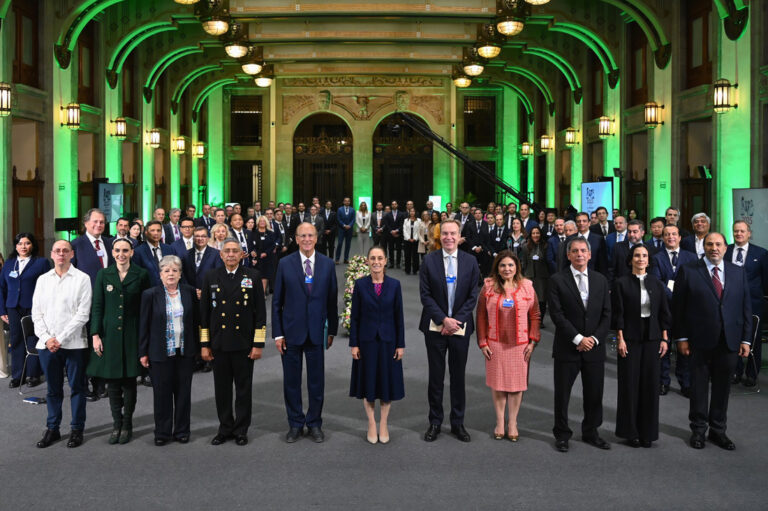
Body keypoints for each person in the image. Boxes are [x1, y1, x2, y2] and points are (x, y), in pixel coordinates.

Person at [672, 232, 752, 450]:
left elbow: (746, 309)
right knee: (698, 387)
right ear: (703, 247)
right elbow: (678, 309)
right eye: (709, 244)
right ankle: (698, 430)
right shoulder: (688, 271)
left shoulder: (738, 272)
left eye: (718, 244)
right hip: (698, 341)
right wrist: (681, 338)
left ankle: (718, 431)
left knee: (722, 388)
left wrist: (746, 340)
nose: (714, 248)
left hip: (729, 340)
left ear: (726, 248)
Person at [273, 222, 338, 443]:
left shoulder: (328, 264)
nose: (307, 239)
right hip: (291, 333)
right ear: (296, 239)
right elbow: (276, 303)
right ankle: (295, 423)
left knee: (316, 382)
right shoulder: (285, 264)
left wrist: (332, 331)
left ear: (317, 238)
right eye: (303, 236)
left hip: (316, 333)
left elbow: (331, 300)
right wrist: (278, 334)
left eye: (311, 235)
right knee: (291, 382)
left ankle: (314, 423)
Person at [200, 239, 267, 446]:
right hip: (219, 343)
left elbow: (261, 314)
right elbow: (204, 314)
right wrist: (204, 344)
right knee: (222, 389)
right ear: (221, 255)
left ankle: (241, 429)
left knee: (243, 389)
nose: (230, 254)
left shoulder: (252, 276)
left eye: (234, 251)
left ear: (241, 254)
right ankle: (225, 427)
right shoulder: (211, 276)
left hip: (244, 344)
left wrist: (258, 344)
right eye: (227, 251)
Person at [548, 237, 612, 452]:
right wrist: (577, 339)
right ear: (568, 255)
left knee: (594, 393)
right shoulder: (557, 280)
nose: (579, 254)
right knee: (562, 394)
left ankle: (591, 432)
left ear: (590, 254)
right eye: (574, 251)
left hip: (594, 347)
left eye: (583, 250)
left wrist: (593, 339)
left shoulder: (601, 280)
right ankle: (562, 434)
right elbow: (557, 314)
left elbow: (607, 314)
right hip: (568, 346)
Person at [419, 219, 480, 442]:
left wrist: (455, 321)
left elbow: (473, 295)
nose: (449, 237)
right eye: (444, 233)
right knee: (436, 377)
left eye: (453, 233)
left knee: (458, 377)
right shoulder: (429, 261)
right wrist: (444, 319)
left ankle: (457, 423)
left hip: (460, 328)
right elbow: (425, 295)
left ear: (459, 235)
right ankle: (435, 422)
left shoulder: (470, 261)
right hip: (435, 327)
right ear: (439, 236)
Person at [87, 238, 151, 444]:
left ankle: (128, 424)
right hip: (109, 335)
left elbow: (146, 308)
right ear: (112, 252)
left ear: (132, 252)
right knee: (112, 382)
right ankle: (116, 423)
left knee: (130, 381)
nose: (121, 254)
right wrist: (95, 335)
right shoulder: (103, 275)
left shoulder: (141, 274)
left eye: (125, 250)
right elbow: (97, 306)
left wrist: (145, 338)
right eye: (117, 250)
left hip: (133, 334)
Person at [32, 240, 92, 448]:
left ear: (72, 254)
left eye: (65, 251)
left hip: (74, 344)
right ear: (51, 254)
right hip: (47, 344)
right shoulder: (42, 280)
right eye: (57, 251)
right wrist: (48, 338)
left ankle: (77, 429)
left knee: (77, 388)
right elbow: (36, 313)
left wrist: (61, 338)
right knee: (53, 390)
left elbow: (83, 315)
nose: (61, 254)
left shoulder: (82, 279)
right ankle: (53, 429)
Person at [476, 251, 541, 441]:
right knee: (498, 385)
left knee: (515, 385)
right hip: (495, 343)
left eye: (511, 265)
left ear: (517, 268)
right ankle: (499, 422)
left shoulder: (527, 287)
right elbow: (480, 315)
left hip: (520, 345)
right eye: (503, 265)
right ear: (497, 267)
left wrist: (533, 341)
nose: (507, 269)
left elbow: (535, 315)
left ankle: (512, 422)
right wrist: (482, 342)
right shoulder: (488, 286)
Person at [612, 245, 671, 448]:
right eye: (637, 255)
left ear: (649, 260)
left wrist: (664, 338)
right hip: (629, 338)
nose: (640, 259)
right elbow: (618, 314)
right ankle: (630, 432)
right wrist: (620, 338)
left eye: (644, 256)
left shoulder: (656, 282)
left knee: (650, 386)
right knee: (629, 385)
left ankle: (647, 433)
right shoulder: (621, 283)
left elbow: (664, 312)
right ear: (631, 260)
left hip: (653, 338)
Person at [139, 255, 199, 445]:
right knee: (162, 395)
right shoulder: (150, 294)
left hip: (184, 352)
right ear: (160, 274)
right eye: (166, 270)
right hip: (159, 353)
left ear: (181, 274)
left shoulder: (189, 292)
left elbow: (196, 321)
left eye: (174, 270)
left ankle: (182, 430)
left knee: (183, 394)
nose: (171, 274)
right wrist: (143, 352)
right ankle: (162, 433)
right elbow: (144, 325)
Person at [349, 246, 405, 444]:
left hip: (389, 341)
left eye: (380, 258)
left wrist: (401, 344)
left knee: (386, 383)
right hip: (366, 342)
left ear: (386, 261)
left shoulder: (395, 285)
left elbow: (399, 317)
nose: (376, 261)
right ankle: (372, 422)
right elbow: (354, 317)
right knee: (369, 383)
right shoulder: (360, 285)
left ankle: (384, 423)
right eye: (372, 258)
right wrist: (353, 344)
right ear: (367, 261)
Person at [71, 208, 114, 401]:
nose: (99, 225)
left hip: (108, 301)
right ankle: (86, 383)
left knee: (103, 340)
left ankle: (101, 381)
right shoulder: (76, 245)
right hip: (84, 302)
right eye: (95, 222)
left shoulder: (110, 242)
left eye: (102, 222)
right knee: (86, 343)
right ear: (86, 224)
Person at [651, 224, 697, 397]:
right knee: (664, 347)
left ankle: (685, 383)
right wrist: (675, 296)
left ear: (679, 237)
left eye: (674, 234)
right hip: (665, 309)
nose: (671, 237)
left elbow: (694, 281)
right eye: (667, 234)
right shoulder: (656, 258)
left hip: (686, 310)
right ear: (663, 238)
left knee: (684, 348)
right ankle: (663, 381)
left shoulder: (691, 257)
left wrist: (682, 298)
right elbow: (657, 282)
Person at [0, 233, 51, 388]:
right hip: (13, 307)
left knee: (33, 339)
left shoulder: (41, 263)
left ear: (33, 245)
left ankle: (33, 375)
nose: (23, 246)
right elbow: (1, 288)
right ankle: (18, 375)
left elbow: (48, 287)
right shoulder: (9, 264)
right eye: (20, 243)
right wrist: (2, 310)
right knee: (16, 341)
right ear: (16, 246)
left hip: (34, 307)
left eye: (27, 243)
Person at [725, 221, 768, 387]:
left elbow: (765, 280)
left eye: (742, 231)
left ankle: (752, 374)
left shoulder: (762, 253)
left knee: (754, 339)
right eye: (736, 231)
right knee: (732, 337)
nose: (739, 234)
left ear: (749, 233)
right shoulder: (726, 251)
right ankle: (735, 372)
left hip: (754, 302)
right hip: (730, 302)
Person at [520, 226, 550, 324]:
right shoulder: (525, 246)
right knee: (530, 299)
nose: (535, 235)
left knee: (541, 300)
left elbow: (548, 261)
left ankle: (539, 320)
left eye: (537, 233)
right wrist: (522, 276)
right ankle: (530, 319)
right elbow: (523, 262)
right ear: (530, 235)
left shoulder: (545, 246)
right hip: (529, 276)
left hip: (542, 277)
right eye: (533, 233)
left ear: (540, 234)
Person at [132, 220, 174, 287]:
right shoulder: (138, 252)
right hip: (149, 291)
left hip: (169, 290)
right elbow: (137, 276)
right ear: (146, 232)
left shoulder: (169, 249)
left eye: (158, 230)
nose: (156, 233)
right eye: (152, 230)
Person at [251, 215, 279, 294]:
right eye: (260, 221)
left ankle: (262, 293)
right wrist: (254, 252)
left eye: (264, 221)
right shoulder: (253, 233)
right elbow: (251, 245)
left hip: (267, 258)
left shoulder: (270, 233)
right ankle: (257, 293)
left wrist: (266, 253)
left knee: (265, 276)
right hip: (257, 257)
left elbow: (273, 245)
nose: (262, 222)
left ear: (266, 222)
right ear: (258, 223)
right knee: (257, 276)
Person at [385, 201, 406, 268]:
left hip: (398, 234)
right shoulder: (388, 214)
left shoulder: (401, 214)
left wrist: (397, 231)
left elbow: (402, 224)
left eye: (395, 204)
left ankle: (398, 263)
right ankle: (391, 263)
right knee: (390, 249)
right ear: (391, 205)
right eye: (393, 204)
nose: (394, 205)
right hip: (390, 234)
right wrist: (391, 231)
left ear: (397, 205)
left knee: (399, 249)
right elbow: (387, 224)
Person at [335, 197, 355, 264]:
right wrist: (344, 225)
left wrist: (349, 225)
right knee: (340, 243)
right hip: (341, 229)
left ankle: (346, 259)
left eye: (348, 201)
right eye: (345, 201)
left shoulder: (352, 210)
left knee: (348, 244)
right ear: (343, 202)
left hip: (349, 229)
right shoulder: (339, 209)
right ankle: (337, 259)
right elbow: (338, 219)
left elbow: (353, 219)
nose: (347, 202)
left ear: (349, 202)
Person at [402, 208, 422, 275]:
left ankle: (415, 270)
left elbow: (419, 230)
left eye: (413, 211)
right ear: (409, 212)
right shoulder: (406, 220)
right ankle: (407, 270)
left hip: (415, 240)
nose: (412, 212)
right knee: (407, 255)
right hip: (407, 240)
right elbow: (404, 230)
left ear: (415, 212)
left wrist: (415, 238)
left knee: (415, 256)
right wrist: (408, 238)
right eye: (411, 211)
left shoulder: (419, 220)